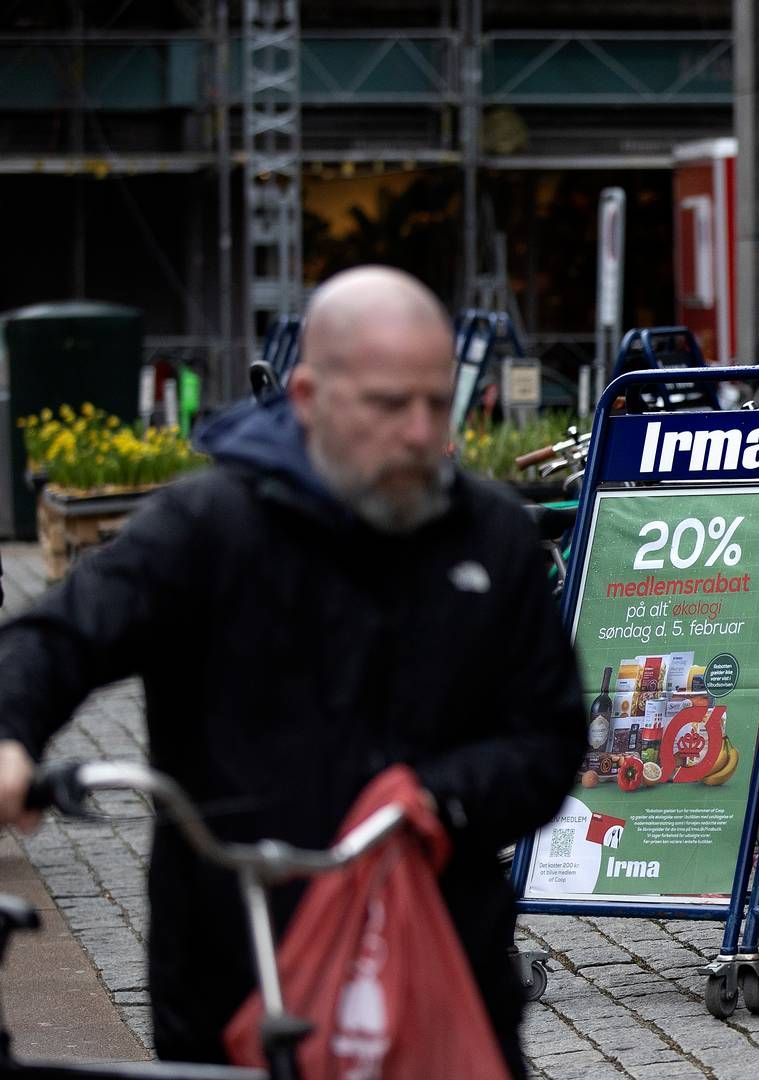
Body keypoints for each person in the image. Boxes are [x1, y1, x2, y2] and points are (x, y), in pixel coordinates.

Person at [0, 266, 584, 1074]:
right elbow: (60, 634)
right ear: (307, 396)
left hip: (440, 946)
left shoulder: (490, 538)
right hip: (235, 953)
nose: (421, 433)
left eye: (435, 400)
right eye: (388, 404)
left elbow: (550, 737)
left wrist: (437, 797)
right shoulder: (212, 526)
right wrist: (10, 735)